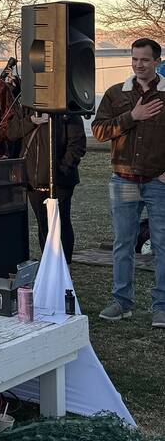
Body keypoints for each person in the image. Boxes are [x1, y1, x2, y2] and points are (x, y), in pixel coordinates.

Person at [91, 37, 165, 327]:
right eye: (134, 59)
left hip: (158, 183)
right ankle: (122, 302)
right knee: (123, 243)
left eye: (144, 59)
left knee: (161, 244)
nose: (138, 65)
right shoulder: (115, 94)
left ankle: (161, 306)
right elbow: (98, 130)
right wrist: (131, 117)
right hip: (122, 179)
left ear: (157, 60)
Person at [8, 104, 86, 263]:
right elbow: (11, 133)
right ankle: (48, 263)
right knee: (43, 223)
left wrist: (61, 170)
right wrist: (31, 121)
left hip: (60, 181)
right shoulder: (26, 107)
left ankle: (64, 266)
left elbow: (77, 143)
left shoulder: (66, 106)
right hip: (32, 179)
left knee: (61, 223)